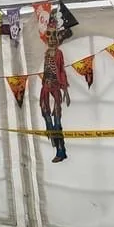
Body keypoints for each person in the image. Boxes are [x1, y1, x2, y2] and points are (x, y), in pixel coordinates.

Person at [40, 23, 70, 163]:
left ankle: (61, 151)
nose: (51, 38)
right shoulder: (46, 53)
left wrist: (65, 90)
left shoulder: (59, 53)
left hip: (55, 88)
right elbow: (48, 70)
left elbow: (61, 70)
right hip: (46, 88)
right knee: (47, 117)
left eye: (54, 34)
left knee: (57, 121)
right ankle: (56, 146)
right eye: (49, 34)